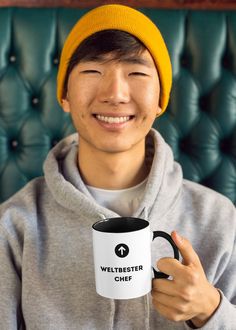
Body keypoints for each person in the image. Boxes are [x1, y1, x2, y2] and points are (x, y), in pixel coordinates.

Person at [0, 4, 235, 330]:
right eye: (92, 72)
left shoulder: (220, 220)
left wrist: (211, 310)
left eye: (136, 73)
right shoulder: (14, 224)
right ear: (65, 95)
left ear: (160, 99)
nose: (115, 93)